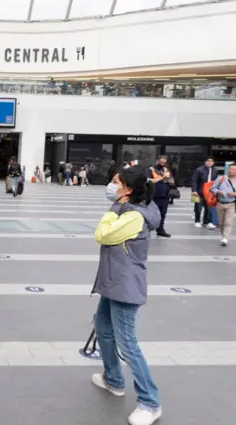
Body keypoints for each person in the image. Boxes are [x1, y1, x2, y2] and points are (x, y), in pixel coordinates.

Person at [94, 166, 162, 425]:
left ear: (128, 190)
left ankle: (150, 402)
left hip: (124, 285)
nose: (110, 186)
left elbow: (102, 234)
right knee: (103, 330)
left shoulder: (133, 215)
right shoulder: (128, 208)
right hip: (113, 282)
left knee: (128, 344)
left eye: (115, 182)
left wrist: (112, 210)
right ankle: (113, 379)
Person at [210, 164, 236, 246]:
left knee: (228, 222)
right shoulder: (221, 178)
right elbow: (212, 188)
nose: (231, 171)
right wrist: (219, 192)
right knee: (221, 223)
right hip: (220, 203)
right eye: (230, 169)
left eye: (233, 169)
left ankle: (226, 237)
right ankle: (223, 235)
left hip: (231, 204)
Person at [146, 155, 172, 238]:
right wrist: (161, 178)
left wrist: (170, 180)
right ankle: (147, 230)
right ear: (157, 160)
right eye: (161, 161)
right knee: (151, 214)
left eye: (164, 161)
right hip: (154, 196)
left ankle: (160, 230)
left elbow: (172, 181)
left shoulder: (166, 170)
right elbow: (147, 180)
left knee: (162, 214)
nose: (163, 163)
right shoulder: (151, 169)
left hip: (165, 195)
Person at [191, 156, 218, 229]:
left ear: (213, 162)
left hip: (210, 192)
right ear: (205, 162)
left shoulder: (215, 170)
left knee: (209, 208)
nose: (210, 162)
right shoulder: (199, 170)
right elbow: (194, 180)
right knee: (198, 207)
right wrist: (194, 190)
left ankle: (207, 222)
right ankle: (197, 221)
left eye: (211, 161)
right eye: (208, 161)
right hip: (199, 192)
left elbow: (216, 182)